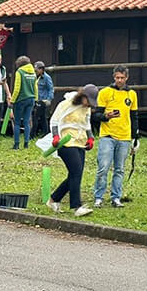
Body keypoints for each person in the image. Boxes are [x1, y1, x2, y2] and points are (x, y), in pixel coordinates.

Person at [48, 84, 98, 217]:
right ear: (82, 96)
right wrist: (56, 136)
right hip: (66, 141)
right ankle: (76, 206)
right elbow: (54, 121)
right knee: (76, 172)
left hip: (80, 142)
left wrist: (91, 138)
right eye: (88, 101)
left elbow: (87, 124)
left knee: (75, 175)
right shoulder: (66, 104)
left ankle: (54, 199)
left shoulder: (86, 109)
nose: (89, 105)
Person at [94, 66, 139, 208]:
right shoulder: (105, 92)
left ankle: (116, 197)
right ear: (114, 77)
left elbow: (134, 116)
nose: (119, 80)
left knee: (119, 169)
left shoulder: (132, 94)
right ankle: (98, 197)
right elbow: (95, 115)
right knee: (103, 167)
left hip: (124, 136)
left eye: (122, 78)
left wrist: (135, 138)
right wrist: (106, 116)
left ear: (127, 78)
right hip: (107, 135)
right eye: (117, 77)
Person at [10, 56, 38, 149]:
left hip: (21, 99)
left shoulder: (20, 72)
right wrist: (36, 98)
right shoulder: (33, 72)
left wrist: (12, 100)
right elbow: (35, 87)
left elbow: (17, 88)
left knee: (17, 122)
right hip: (31, 99)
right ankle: (26, 144)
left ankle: (16, 144)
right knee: (26, 122)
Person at [32, 62, 54, 137]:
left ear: (41, 69)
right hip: (36, 99)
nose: (35, 71)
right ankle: (46, 133)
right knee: (42, 118)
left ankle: (32, 135)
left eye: (37, 69)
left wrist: (49, 99)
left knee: (36, 117)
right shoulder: (36, 77)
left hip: (43, 100)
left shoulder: (47, 78)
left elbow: (50, 89)